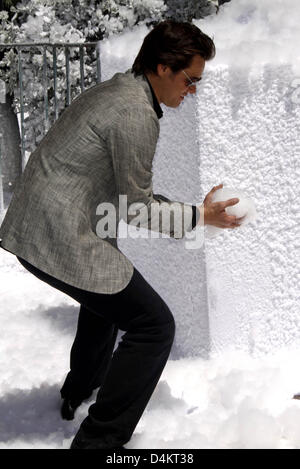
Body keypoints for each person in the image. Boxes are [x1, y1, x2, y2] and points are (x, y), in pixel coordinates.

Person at [0, 20, 243, 449]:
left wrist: (195, 212)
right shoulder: (135, 113)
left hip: (39, 222)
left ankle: (81, 388)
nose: (192, 91)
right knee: (153, 325)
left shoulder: (121, 89)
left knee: (107, 293)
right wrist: (200, 217)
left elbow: (132, 194)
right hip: (56, 234)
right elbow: (136, 208)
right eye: (190, 80)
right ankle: (100, 442)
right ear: (163, 68)